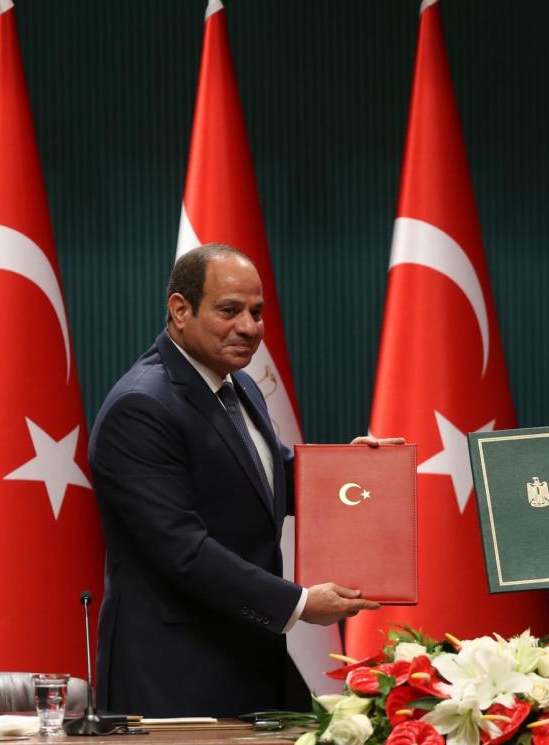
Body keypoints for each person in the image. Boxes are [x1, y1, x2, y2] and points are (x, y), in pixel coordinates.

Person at [89, 244, 386, 716]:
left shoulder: (237, 384)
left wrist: (347, 473)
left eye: (257, 311)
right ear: (180, 310)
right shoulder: (141, 407)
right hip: (175, 677)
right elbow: (183, 551)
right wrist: (300, 603)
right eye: (229, 311)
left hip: (249, 660)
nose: (249, 327)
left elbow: (266, 475)